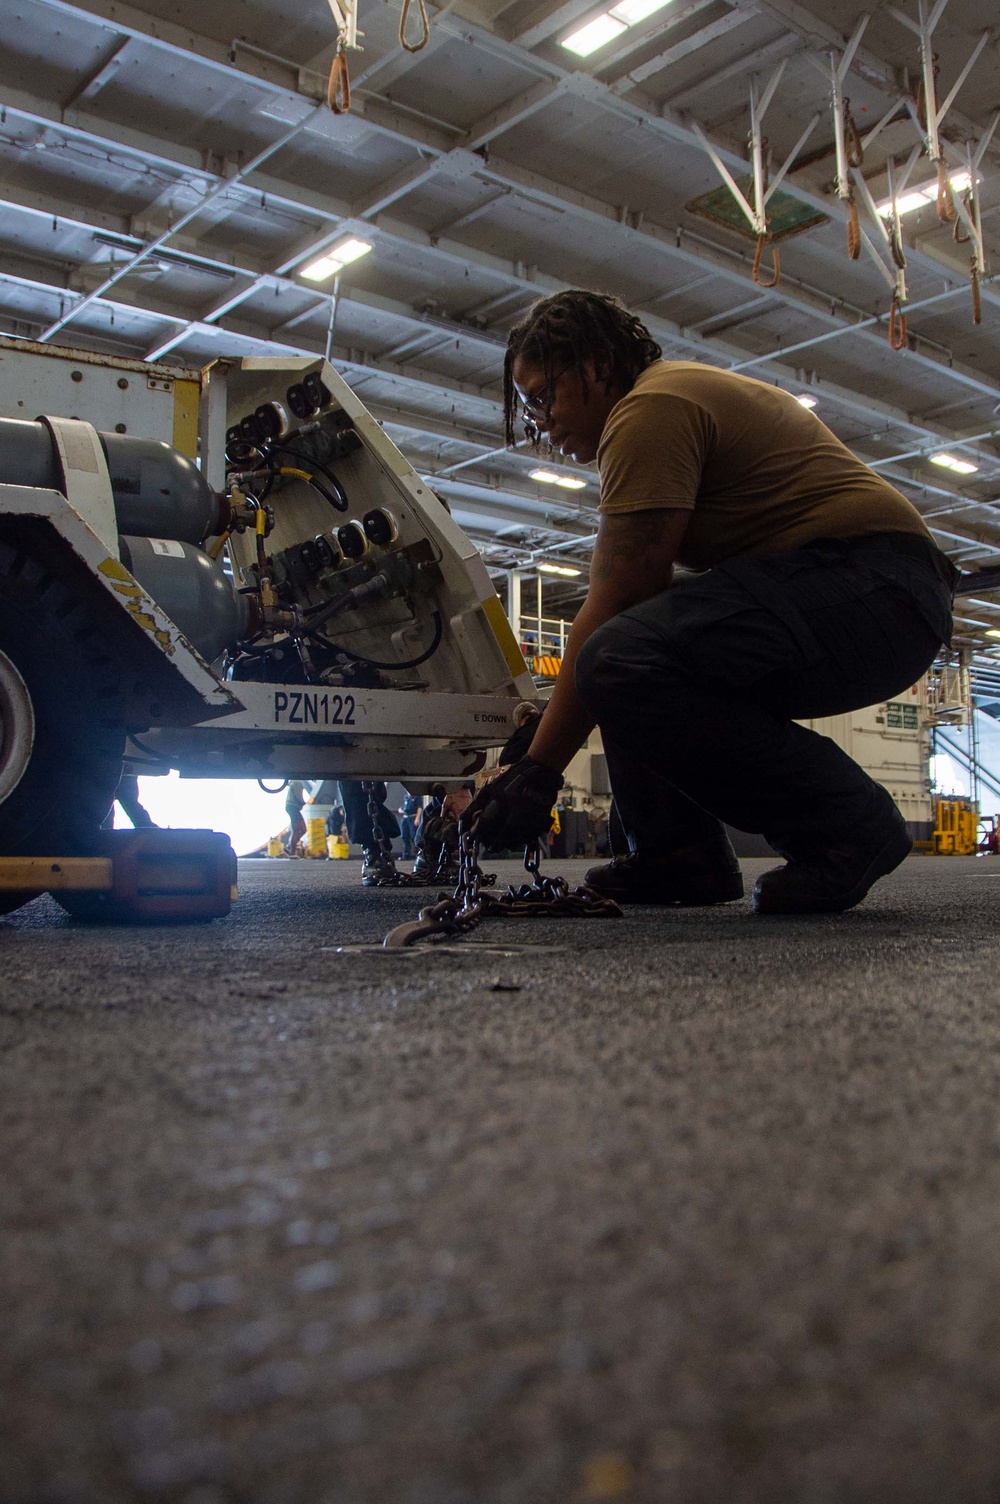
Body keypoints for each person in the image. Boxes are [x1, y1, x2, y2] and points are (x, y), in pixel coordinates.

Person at [462, 290, 957, 915]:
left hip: (877, 590)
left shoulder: (650, 409)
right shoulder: (660, 404)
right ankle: (677, 857)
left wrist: (539, 772)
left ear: (593, 368)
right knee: (633, 650)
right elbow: (636, 610)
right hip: (868, 597)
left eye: (541, 397)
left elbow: (616, 599)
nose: (540, 421)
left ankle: (846, 825)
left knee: (619, 653)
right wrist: (548, 737)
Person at [397, 791, 422, 861]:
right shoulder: (405, 797)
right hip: (405, 818)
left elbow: (419, 808)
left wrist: (417, 818)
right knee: (404, 836)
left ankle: (418, 853)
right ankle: (406, 855)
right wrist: (401, 809)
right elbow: (403, 806)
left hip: (412, 817)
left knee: (413, 836)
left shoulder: (417, 797)